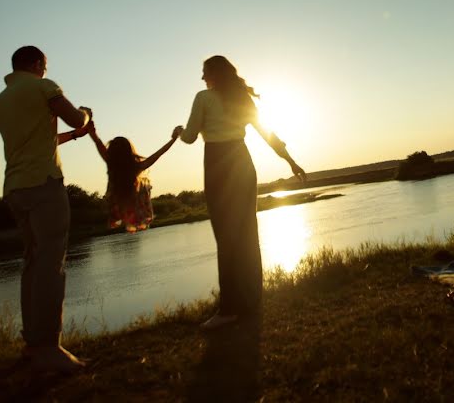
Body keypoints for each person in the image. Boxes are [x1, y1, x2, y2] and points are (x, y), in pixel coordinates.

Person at [179, 55, 306, 329]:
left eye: (204, 72)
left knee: (226, 239)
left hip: (217, 166)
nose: (202, 78)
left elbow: (189, 137)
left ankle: (229, 310)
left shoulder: (203, 98)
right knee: (248, 235)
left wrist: (179, 131)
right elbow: (268, 134)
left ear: (214, 74)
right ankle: (250, 303)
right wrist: (291, 161)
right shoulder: (242, 99)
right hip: (243, 164)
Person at [0, 46, 92, 373]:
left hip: (15, 187)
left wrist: (74, 137)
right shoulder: (43, 86)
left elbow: (40, 138)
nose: (45, 72)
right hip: (44, 183)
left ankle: (33, 344)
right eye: (44, 67)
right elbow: (76, 116)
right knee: (51, 263)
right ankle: (49, 347)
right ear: (37, 64)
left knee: (33, 262)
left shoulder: (2, 99)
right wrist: (85, 116)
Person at [87, 124, 183, 232]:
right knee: (139, 195)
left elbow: (97, 142)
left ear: (112, 151)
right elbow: (159, 153)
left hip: (117, 203)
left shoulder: (111, 162)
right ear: (129, 151)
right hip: (133, 205)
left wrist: (89, 126)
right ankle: (133, 218)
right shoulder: (136, 167)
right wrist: (173, 139)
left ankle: (123, 218)